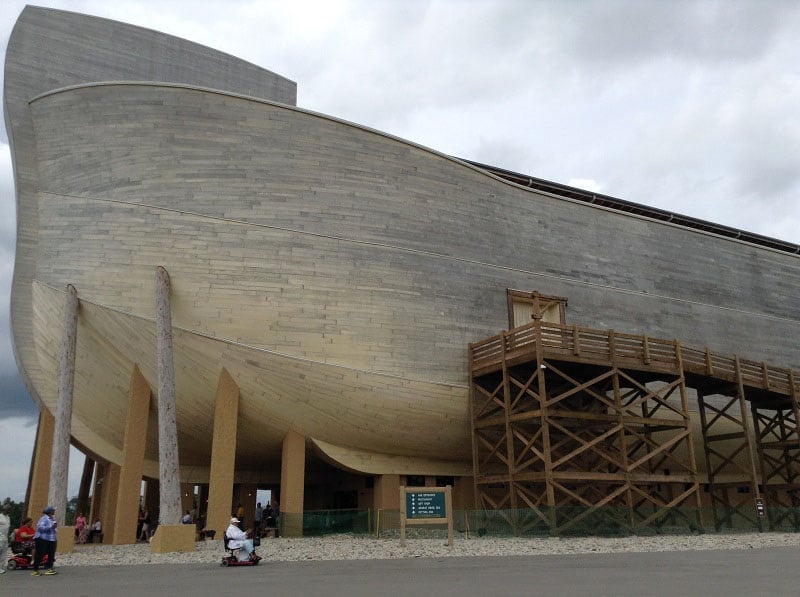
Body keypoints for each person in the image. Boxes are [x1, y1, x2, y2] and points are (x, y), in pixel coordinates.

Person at [31, 505, 58, 576]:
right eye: (53, 510)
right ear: (50, 511)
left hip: (51, 539)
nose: (54, 511)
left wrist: (55, 528)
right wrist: (51, 527)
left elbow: (54, 528)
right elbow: (40, 528)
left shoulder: (52, 519)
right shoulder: (44, 519)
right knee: (40, 554)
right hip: (42, 538)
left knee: (51, 554)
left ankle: (49, 568)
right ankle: (35, 570)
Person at [0, 504, 10, 574]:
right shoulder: (0, 517)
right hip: (0, 538)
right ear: (4, 509)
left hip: (5, 538)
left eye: (10, 509)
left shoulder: (8, 517)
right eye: (8, 509)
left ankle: (1, 568)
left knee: (3, 555)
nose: (9, 511)